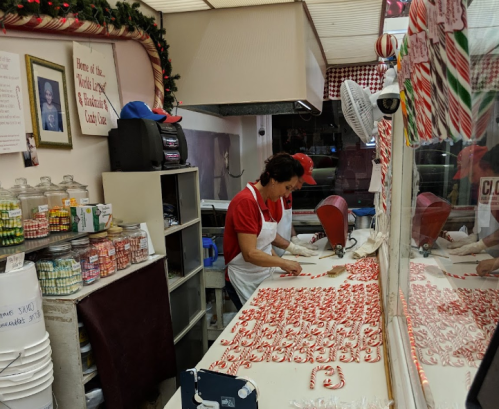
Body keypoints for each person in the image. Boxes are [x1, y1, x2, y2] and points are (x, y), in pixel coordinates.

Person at [223, 153, 304, 309]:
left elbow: (264, 244)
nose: (287, 194)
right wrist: (284, 261)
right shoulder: (246, 202)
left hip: (262, 275)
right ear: (273, 180)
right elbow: (250, 253)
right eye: (287, 188)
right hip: (244, 279)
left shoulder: (265, 200)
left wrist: (282, 264)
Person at [448, 145, 499, 256]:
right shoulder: (483, 187)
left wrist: (480, 245)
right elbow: (483, 216)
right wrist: (475, 236)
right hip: (487, 255)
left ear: (486, 167)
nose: (471, 180)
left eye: (472, 174)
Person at [268, 153, 319, 257]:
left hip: (284, 252)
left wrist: (294, 238)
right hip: (273, 255)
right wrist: (292, 248)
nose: (300, 187)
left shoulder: (287, 193)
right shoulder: (272, 196)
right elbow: (267, 233)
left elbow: (286, 219)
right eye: (300, 181)